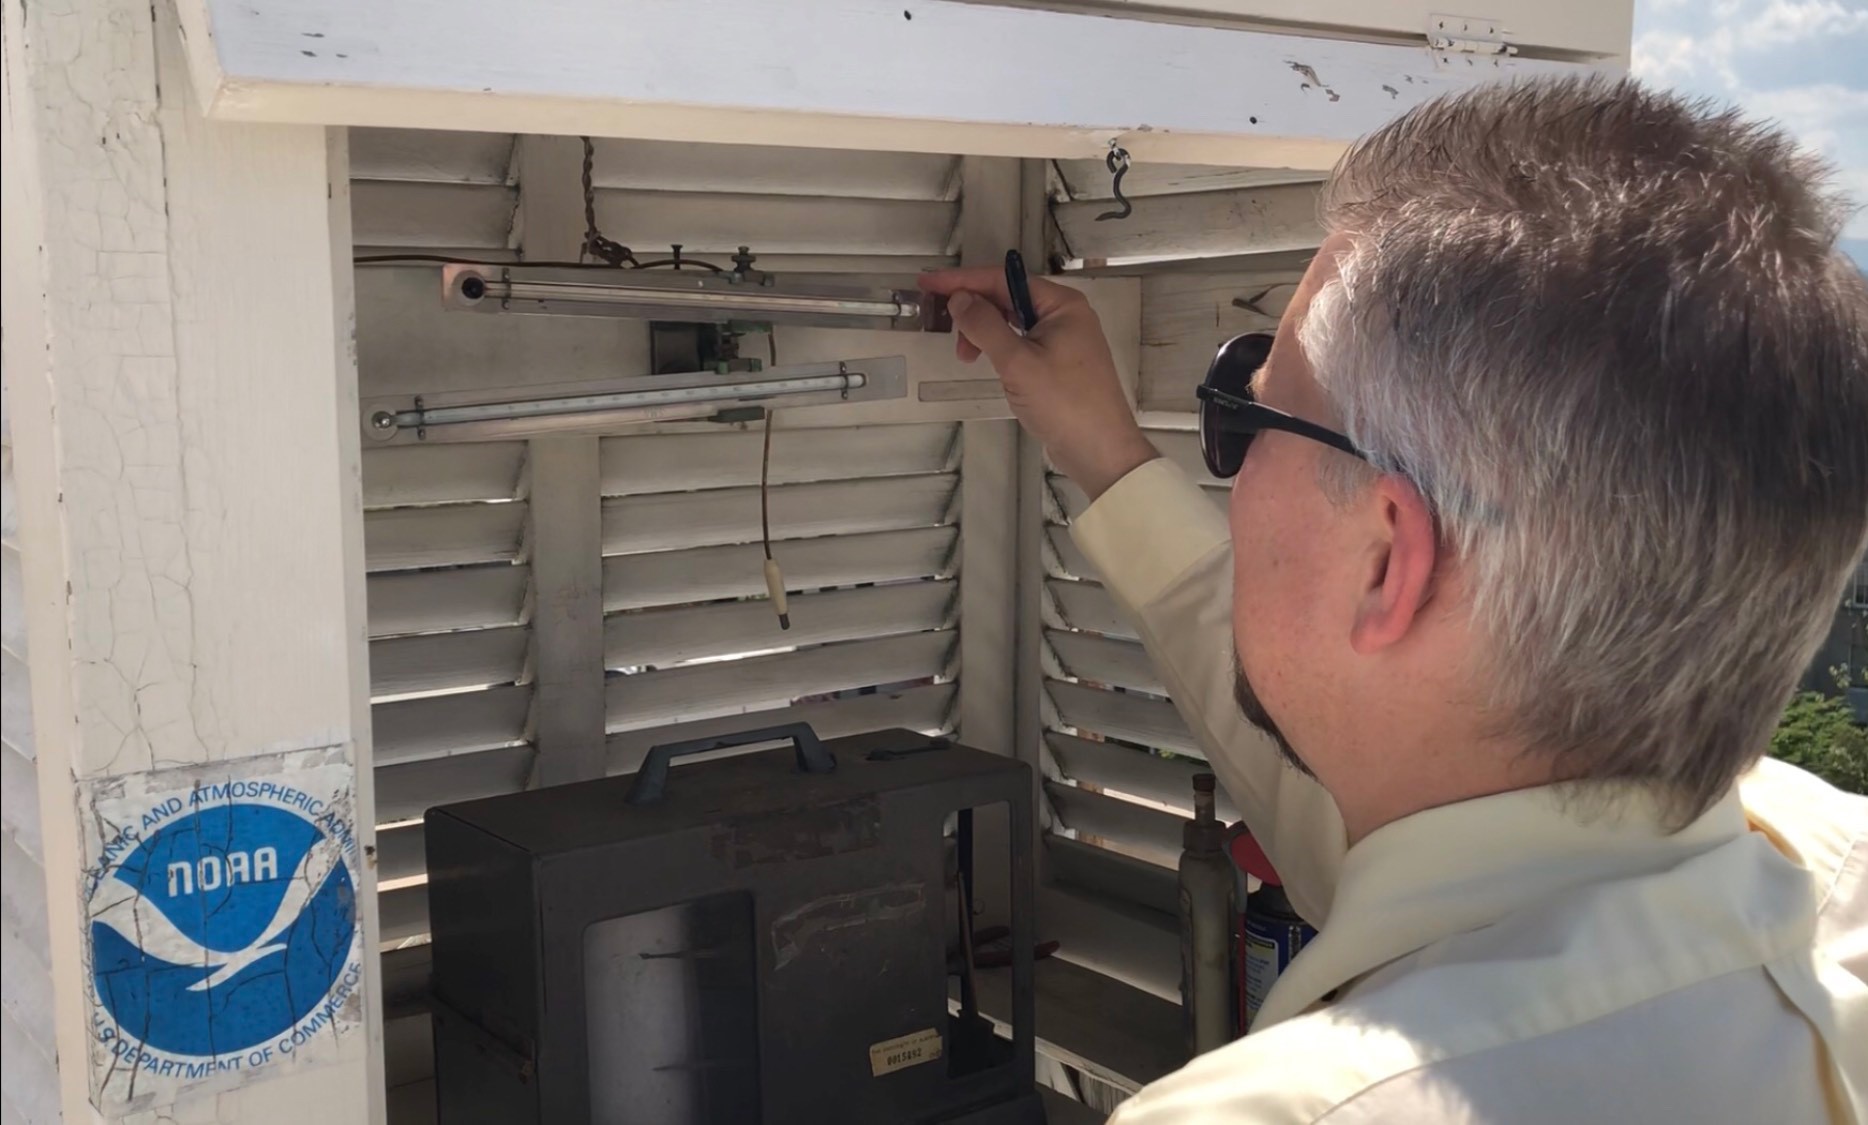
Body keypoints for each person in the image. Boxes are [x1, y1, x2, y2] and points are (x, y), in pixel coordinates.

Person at [924, 75, 1868, 1123]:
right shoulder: (1817, 863)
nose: (1230, 466)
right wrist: (1104, 452)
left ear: (1384, 562)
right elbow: (1354, 795)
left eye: (1246, 411)